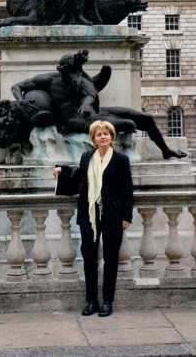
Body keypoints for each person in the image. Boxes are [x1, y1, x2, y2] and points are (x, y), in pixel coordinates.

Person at [11, 50, 187, 159]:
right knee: (129, 124)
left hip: (93, 112)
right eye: (74, 68)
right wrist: (21, 102)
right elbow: (17, 86)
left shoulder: (80, 78)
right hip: (74, 120)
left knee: (145, 118)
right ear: (64, 68)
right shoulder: (49, 80)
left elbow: (91, 95)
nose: (78, 72)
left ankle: (165, 150)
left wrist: (88, 104)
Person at [53, 120, 134, 318]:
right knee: (89, 257)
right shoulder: (86, 157)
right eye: (99, 134)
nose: (103, 137)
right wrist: (61, 169)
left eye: (106, 133)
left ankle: (107, 301)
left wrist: (126, 216)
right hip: (89, 214)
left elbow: (127, 189)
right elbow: (78, 176)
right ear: (93, 139)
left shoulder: (121, 159)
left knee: (111, 258)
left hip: (113, 215)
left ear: (112, 137)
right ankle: (91, 301)